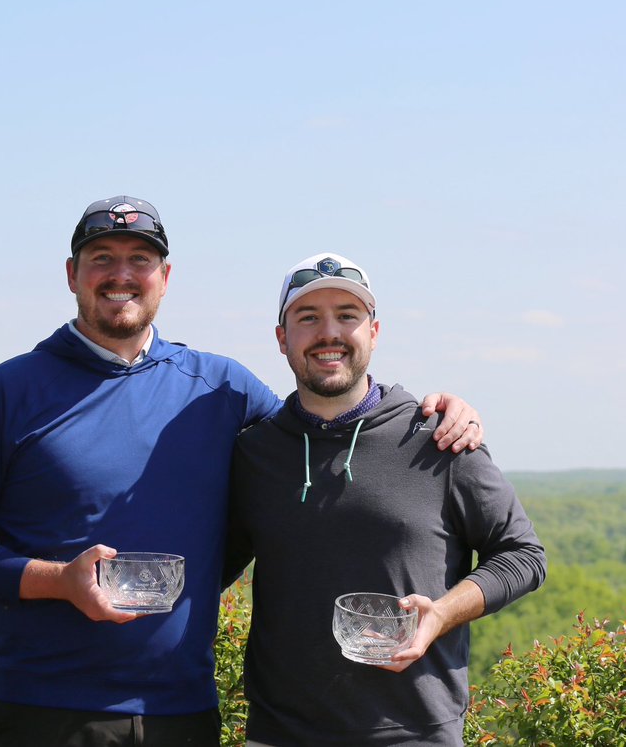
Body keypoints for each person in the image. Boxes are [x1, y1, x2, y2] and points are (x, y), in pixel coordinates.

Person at [0, 198, 486, 747]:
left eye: (140, 259)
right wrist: (58, 581)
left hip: (183, 710)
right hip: (46, 707)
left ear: (165, 276)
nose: (122, 275)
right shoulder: (10, 391)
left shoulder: (223, 388)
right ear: (72, 274)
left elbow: (327, 428)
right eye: (102, 259)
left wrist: (422, 410)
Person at [227, 252, 547, 747]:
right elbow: (205, 564)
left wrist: (442, 612)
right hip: (280, 733)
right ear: (281, 337)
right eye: (308, 317)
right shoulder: (254, 452)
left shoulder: (439, 438)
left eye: (347, 316)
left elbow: (523, 556)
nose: (328, 333)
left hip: (416, 732)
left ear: (374, 332)